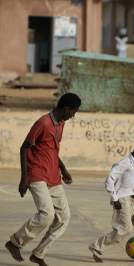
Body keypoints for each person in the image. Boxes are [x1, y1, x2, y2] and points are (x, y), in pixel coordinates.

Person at [5, 93, 81, 266]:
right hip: (36, 174)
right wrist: (24, 178)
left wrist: (63, 169)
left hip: (53, 175)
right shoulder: (43, 123)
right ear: (66, 109)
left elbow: (52, 150)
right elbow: (24, 148)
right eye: (73, 112)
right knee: (47, 214)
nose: (73, 116)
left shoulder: (60, 123)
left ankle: (38, 254)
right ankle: (15, 242)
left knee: (64, 217)